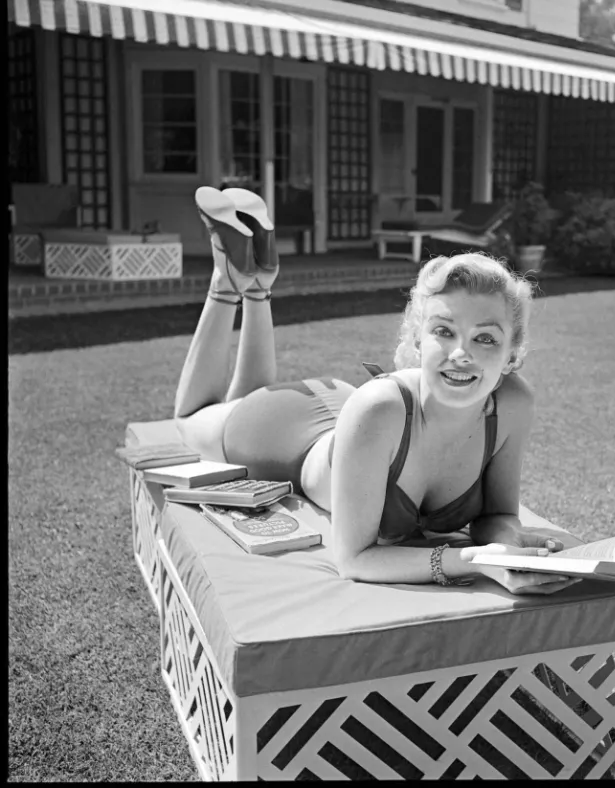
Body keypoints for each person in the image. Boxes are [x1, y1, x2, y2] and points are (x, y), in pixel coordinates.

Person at [175, 186, 582, 596]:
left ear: (512, 356)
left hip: (344, 408)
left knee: (246, 392)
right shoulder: (378, 409)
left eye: (486, 338)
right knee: (189, 418)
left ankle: (257, 283)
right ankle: (226, 282)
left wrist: (513, 544)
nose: (461, 354)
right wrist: (473, 560)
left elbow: (496, 516)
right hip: (282, 427)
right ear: (419, 340)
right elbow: (354, 560)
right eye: (444, 331)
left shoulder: (512, 405)